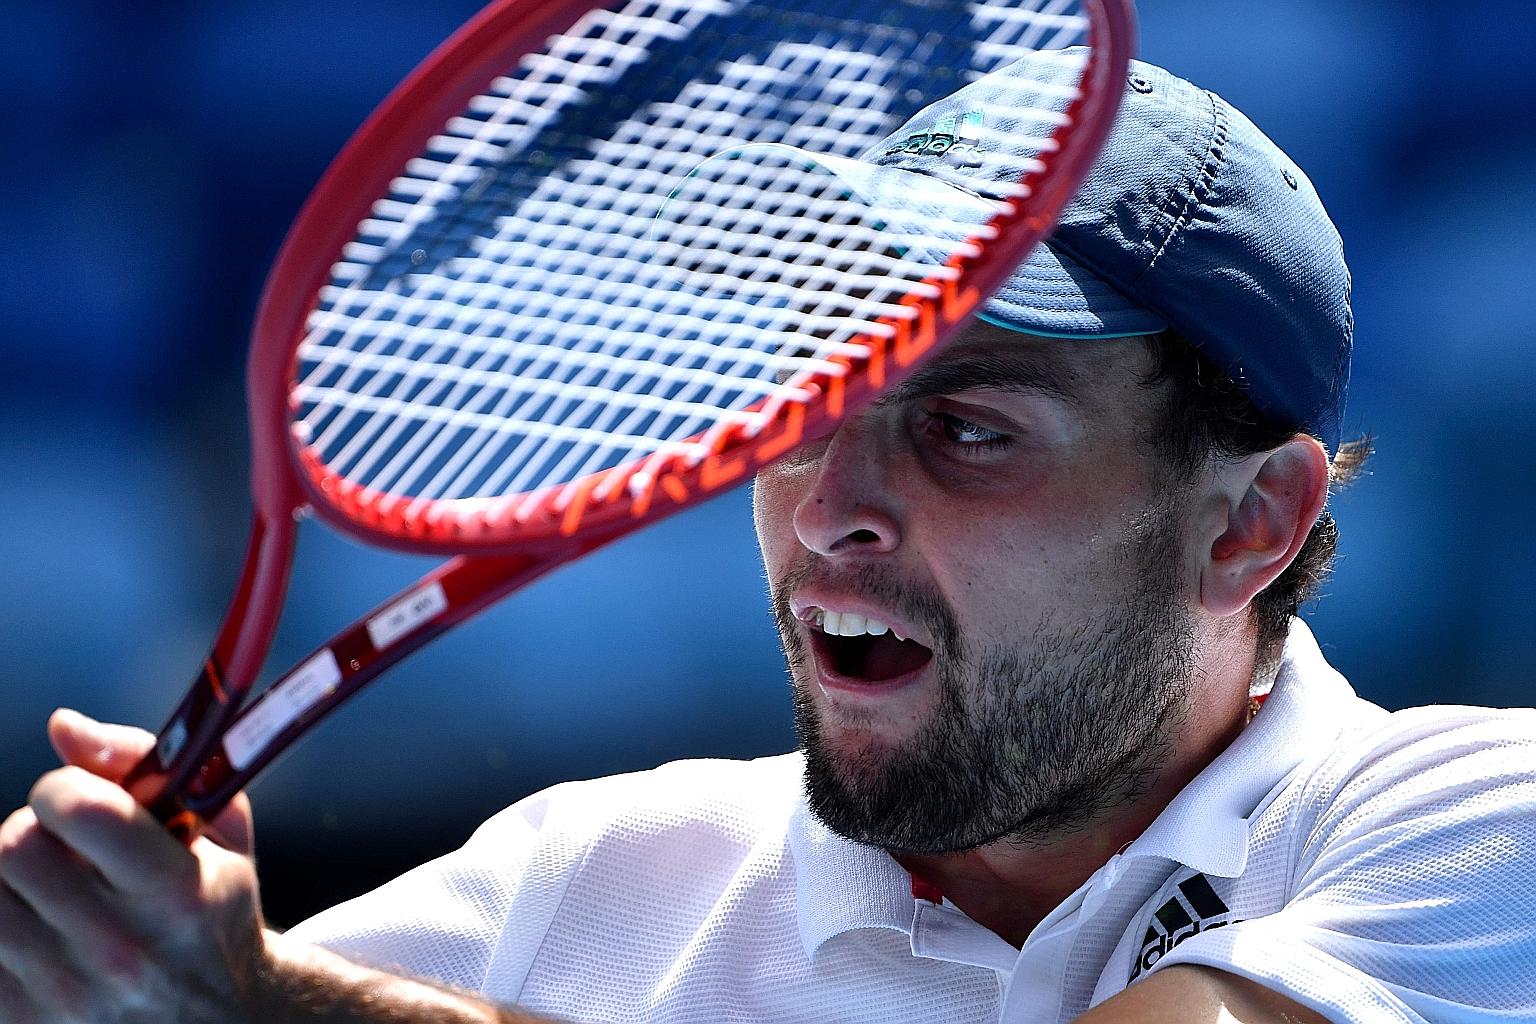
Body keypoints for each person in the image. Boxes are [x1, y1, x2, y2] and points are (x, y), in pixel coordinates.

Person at [4, 53, 1534, 1024]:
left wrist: (275, 1004)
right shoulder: (570, 878)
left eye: (969, 426)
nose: (828, 502)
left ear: (1252, 523)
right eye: (807, 401)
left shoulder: (1482, 824)